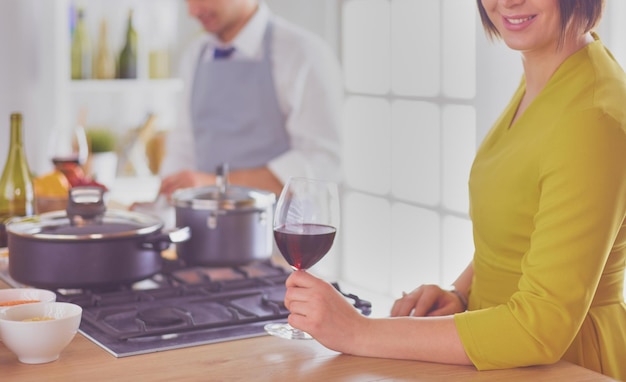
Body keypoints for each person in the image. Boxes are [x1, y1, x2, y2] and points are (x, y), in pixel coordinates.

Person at [283, 0, 626, 379]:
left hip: (565, 365)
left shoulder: (591, 119)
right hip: (498, 351)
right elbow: (525, 228)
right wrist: (462, 294)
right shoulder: (549, 75)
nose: (506, 2)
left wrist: (356, 331)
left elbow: (537, 329)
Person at [155, 0, 343, 198]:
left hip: (277, 226)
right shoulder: (195, 55)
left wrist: (217, 184)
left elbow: (321, 161)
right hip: (202, 222)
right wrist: (162, 202)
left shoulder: (302, 53)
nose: (193, 11)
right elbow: (183, 148)